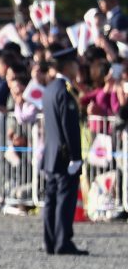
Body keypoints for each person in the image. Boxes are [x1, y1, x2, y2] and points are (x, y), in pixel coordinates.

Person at [42, 46, 88, 256]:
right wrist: (76, 157)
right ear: (68, 66)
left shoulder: (50, 88)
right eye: (74, 63)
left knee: (51, 199)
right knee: (64, 199)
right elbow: (69, 127)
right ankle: (63, 242)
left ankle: (50, 241)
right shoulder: (65, 90)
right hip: (63, 155)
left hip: (51, 153)